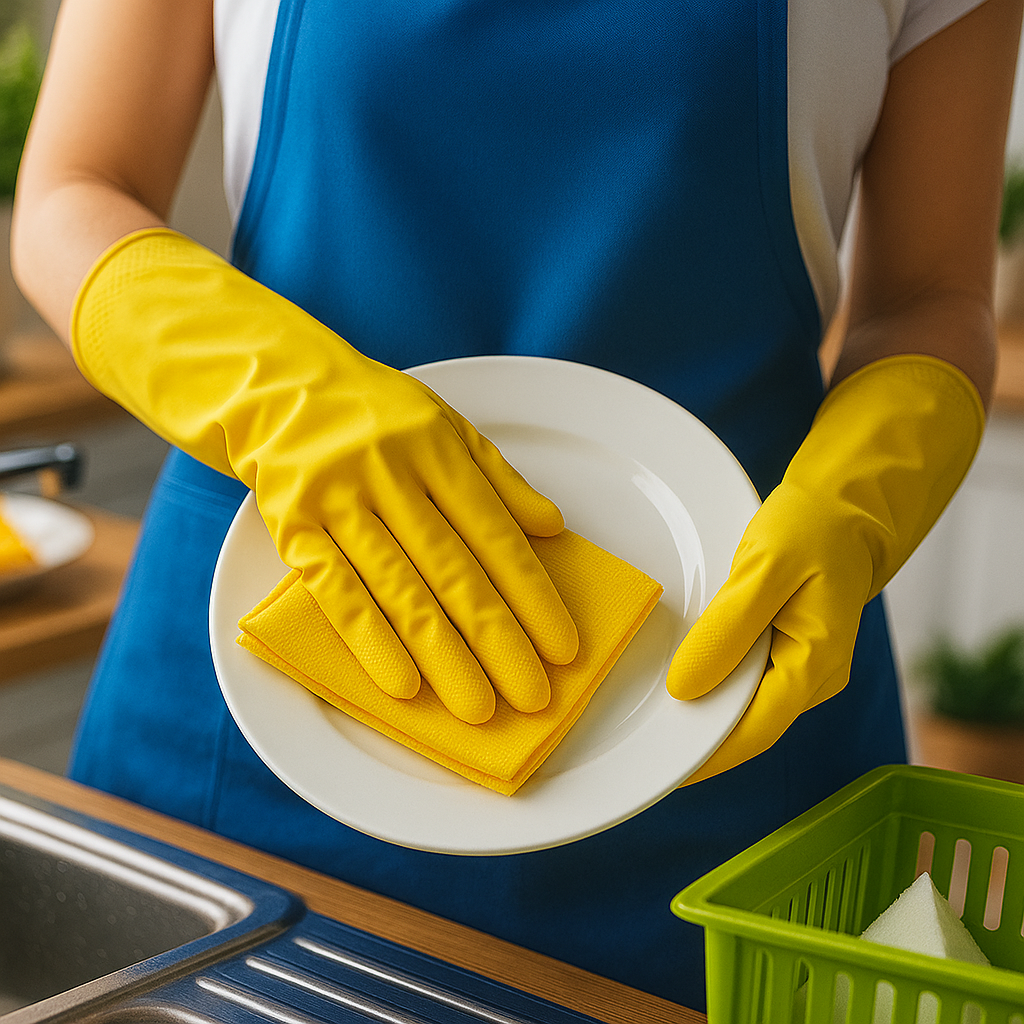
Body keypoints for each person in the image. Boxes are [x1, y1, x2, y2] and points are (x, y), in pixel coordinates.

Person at [11, 0, 1021, 1010]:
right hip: (257, 694)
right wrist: (276, 398)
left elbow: (929, 292)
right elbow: (74, 189)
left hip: (724, 699)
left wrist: (865, 491)